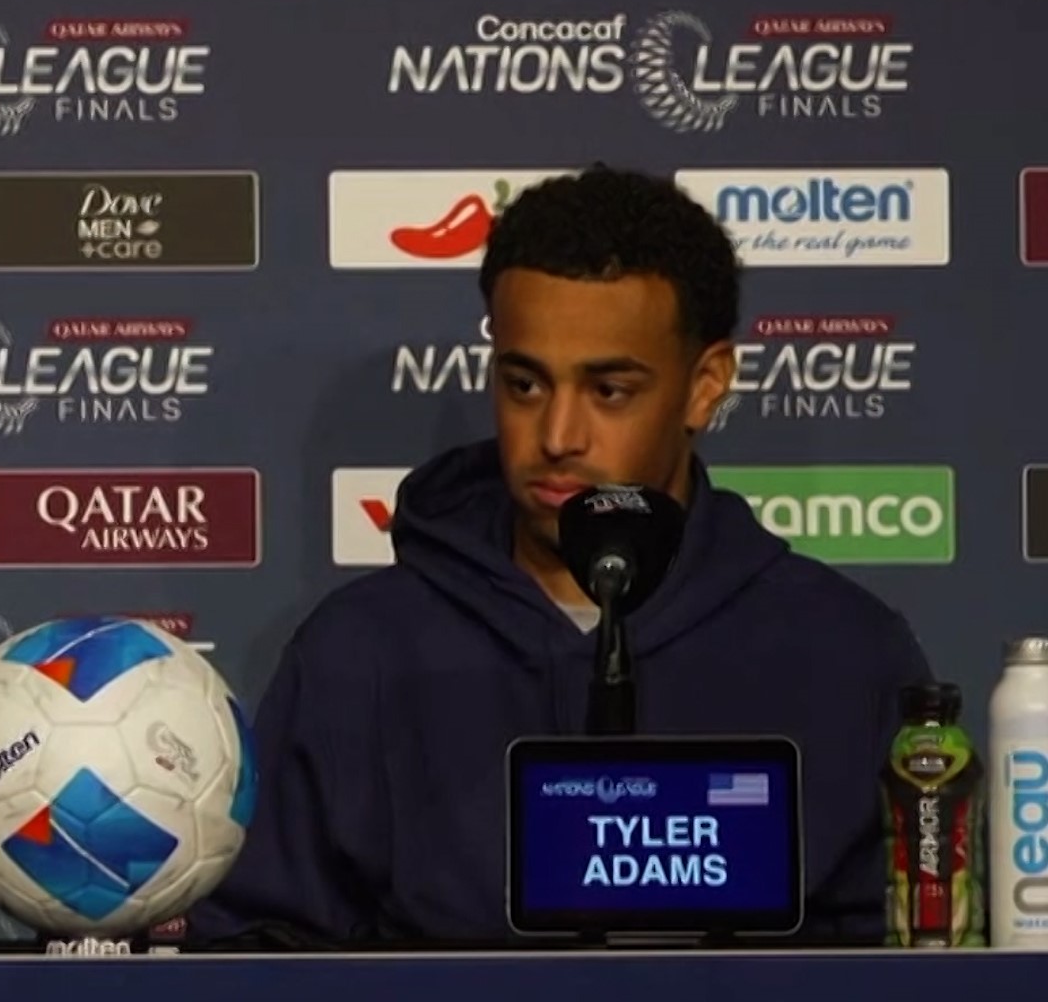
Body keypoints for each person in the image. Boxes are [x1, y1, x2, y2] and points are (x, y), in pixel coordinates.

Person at [188, 165, 934, 946]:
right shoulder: (359, 654)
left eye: (609, 390)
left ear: (705, 385)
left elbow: (902, 962)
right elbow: (260, 953)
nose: (557, 436)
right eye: (524, 384)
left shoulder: (847, 654)